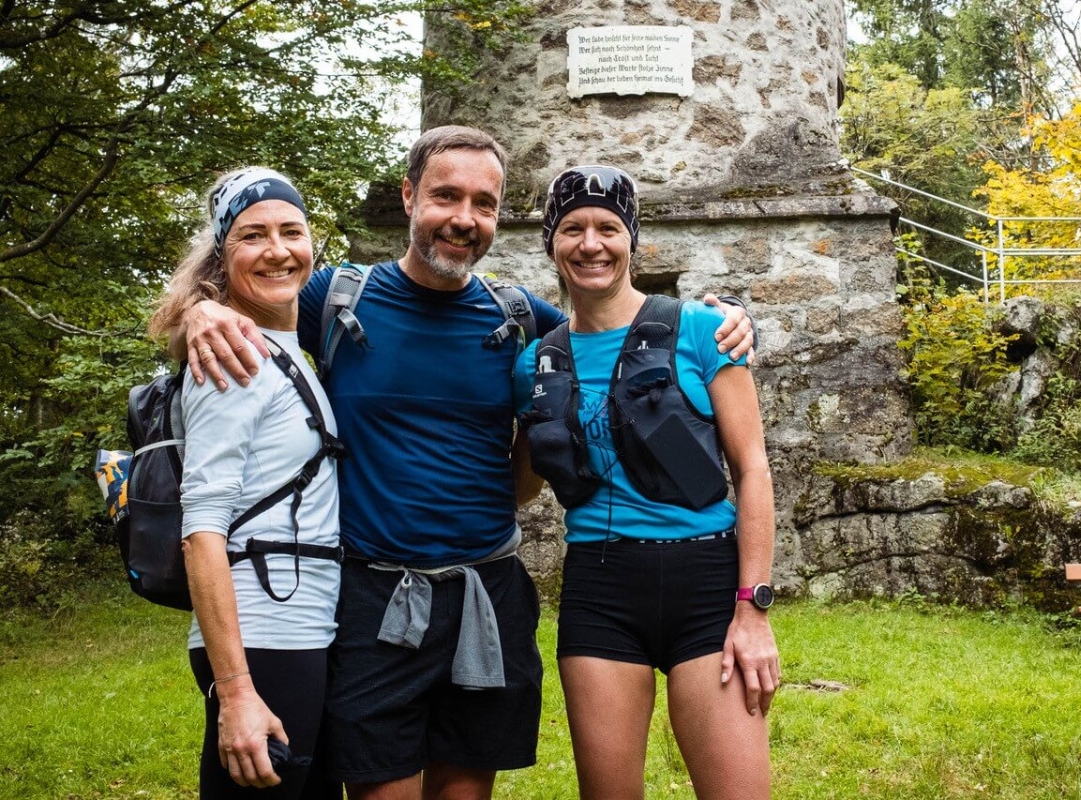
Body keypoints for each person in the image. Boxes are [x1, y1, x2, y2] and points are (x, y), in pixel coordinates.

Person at [177, 126, 757, 800]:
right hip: (373, 599)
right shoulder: (335, 299)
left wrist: (732, 316)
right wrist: (198, 310)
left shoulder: (518, 318)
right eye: (445, 196)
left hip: (487, 596)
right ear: (408, 196)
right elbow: (253, 287)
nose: (463, 218)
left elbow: (612, 322)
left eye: (484, 204)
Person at [515, 165, 779, 799]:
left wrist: (753, 610)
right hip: (599, 590)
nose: (591, 244)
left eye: (608, 228)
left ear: (631, 239)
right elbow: (521, 490)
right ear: (552, 242)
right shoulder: (535, 363)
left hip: (706, 584)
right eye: (572, 229)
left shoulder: (704, 330)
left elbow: (752, 470)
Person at [149, 168, 343, 799]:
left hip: (300, 630)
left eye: (292, 231)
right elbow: (201, 530)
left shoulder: (278, 345)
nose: (277, 250)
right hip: (264, 636)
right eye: (252, 235)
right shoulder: (232, 358)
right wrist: (236, 693)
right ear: (221, 252)